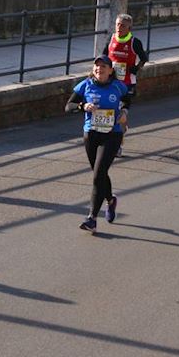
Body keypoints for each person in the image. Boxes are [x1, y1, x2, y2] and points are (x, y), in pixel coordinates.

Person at [66, 56, 130, 233]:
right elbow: (68, 105)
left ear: (110, 70)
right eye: (96, 66)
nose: (99, 69)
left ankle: (92, 218)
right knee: (99, 173)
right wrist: (82, 106)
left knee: (98, 175)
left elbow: (128, 99)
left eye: (103, 66)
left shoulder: (118, 86)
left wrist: (124, 111)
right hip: (91, 134)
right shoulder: (85, 85)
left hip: (112, 135)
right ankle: (110, 199)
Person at [105, 13, 148, 155]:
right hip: (112, 83)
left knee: (119, 113)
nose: (119, 28)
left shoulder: (134, 42)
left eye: (123, 25)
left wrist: (135, 69)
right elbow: (104, 57)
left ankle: (118, 143)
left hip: (127, 84)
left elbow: (144, 58)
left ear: (129, 27)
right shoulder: (111, 39)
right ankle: (116, 137)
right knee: (111, 112)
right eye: (117, 24)